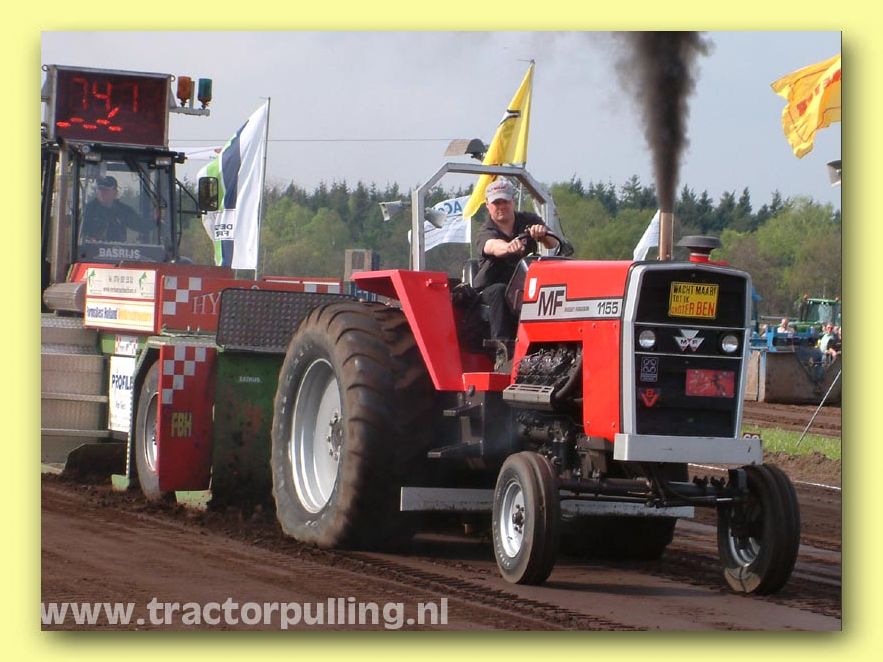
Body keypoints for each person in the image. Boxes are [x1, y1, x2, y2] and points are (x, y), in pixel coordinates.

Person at [473, 179, 559, 342]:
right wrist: (507, 247)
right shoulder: (486, 231)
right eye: (496, 203)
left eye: (505, 201)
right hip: (492, 287)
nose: (501, 206)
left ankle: (551, 340)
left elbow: (554, 243)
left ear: (513, 201)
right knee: (500, 291)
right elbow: (492, 246)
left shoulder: (528, 220)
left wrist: (543, 235)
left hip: (524, 284)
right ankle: (502, 345)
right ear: (487, 205)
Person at [82, 175, 150, 243]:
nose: (102, 192)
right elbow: (82, 234)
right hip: (93, 248)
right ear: (97, 191)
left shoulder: (123, 210)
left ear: (115, 192)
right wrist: (91, 239)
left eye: (106, 190)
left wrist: (154, 219)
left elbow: (142, 226)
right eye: (100, 189)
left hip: (118, 248)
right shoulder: (89, 209)